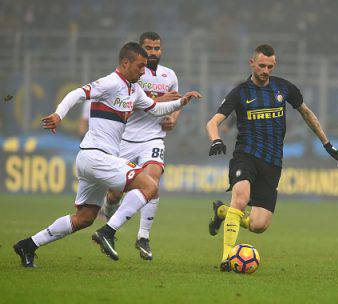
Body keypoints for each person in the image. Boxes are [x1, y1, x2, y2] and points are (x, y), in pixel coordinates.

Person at [13, 42, 202, 267]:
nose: (143, 71)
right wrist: (58, 115)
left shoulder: (134, 89)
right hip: (97, 157)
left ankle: (28, 245)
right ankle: (108, 232)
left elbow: (155, 109)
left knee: (84, 218)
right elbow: (77, 93)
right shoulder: (110, 82)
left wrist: (181, 102)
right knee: (149, 187)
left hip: (91, 159)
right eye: (140, 66)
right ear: (125, 63)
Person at [205, 44, 338, 271]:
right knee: (240, 197)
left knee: (259, 225)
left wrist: (327, 143)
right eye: (261, 65)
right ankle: (226, 257)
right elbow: (212, 122)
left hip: (272, 163)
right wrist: (216, 139)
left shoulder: (284, 88)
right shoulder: (240, 92)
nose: (265, 70)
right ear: (252, 64)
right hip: (245, 156)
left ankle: (222, 212)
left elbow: (307, 114)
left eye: (269, 66)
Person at [100, 31, 182, 261]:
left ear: (161, 50)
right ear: (140, 48)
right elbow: (127, 102)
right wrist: (159, 101)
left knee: (152, 182)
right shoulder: (133, 73)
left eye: (157, 48)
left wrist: (173, 117)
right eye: (149, 48)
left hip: (153, 138)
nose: (153, 52)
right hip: (125, 137)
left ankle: (143, 236)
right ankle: (108, 207)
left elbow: (176, 102)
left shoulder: (169, 75)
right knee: (115, 193)